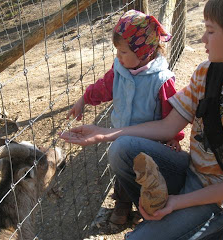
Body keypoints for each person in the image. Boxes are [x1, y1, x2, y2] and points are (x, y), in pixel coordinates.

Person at [61, 0, 223, 238]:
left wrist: (177, 202)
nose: (203, 39)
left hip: (222, 200)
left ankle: (214, 227)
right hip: (192, 172)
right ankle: (159, 215)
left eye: (210, 31)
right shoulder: (207, 71)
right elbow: (169, 126)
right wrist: (105, 133)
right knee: (121, 148)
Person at [66, 10, 184, 225]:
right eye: (117, 51)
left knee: (147, 174)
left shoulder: (161, 79)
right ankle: (122, 203)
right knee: (122, 172)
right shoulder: (120, 69)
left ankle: (148, 205)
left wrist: (175, 136)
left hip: (150, 141)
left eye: (123, 52)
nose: (118, 56)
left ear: (145, 52)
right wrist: (84, 99)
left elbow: (171, 110)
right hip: (119, 136)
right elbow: (103, 88)